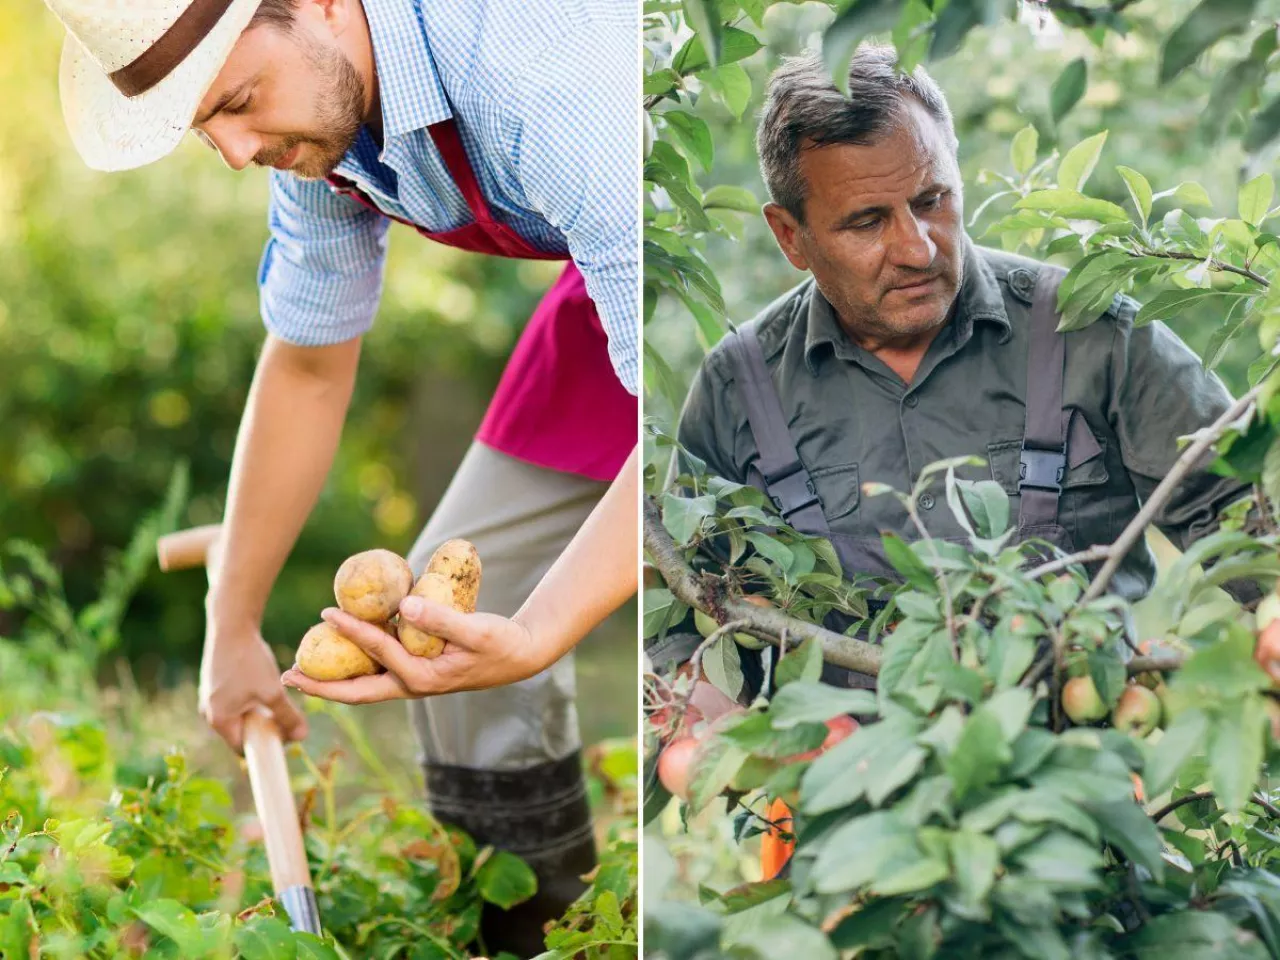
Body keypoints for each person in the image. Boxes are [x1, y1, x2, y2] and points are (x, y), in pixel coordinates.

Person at [40, 0, 637, 952]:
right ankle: (543, 937)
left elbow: (702, 415)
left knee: (732, 614)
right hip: (620, 291)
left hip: (736, 291)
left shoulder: (546, 76)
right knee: (453, 656)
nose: (235, 152)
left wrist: (537, 633)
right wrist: (229, 627)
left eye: (237, 101)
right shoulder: (324, 120)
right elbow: (310, 361)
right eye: (209, 130)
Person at [672, 46, 1251, 687]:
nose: (916, 248)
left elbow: (1245, 518)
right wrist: (705, 715)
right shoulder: (737, 390)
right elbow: (680, 624)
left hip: (1079, 766)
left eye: (931, 201)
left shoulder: (1094, 335)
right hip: (837, 775)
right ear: (790, 237)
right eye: (867, 222)